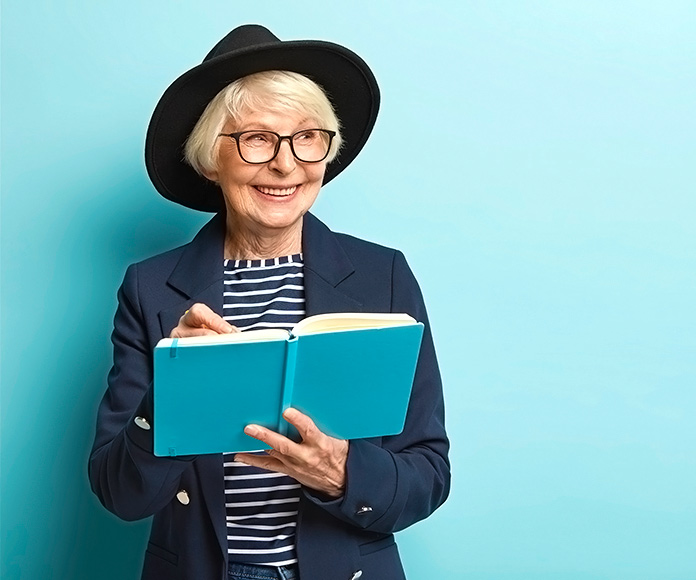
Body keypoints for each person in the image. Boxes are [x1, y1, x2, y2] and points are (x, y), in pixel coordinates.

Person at [89, 24, 450, 580]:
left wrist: (342, 472)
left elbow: (429, 472)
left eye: (308, 137)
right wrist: (174, 390)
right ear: (212, 158)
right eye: (257, 138)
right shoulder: (150, 288)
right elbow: (120, 494)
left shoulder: (385, 277)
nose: (285, 165)